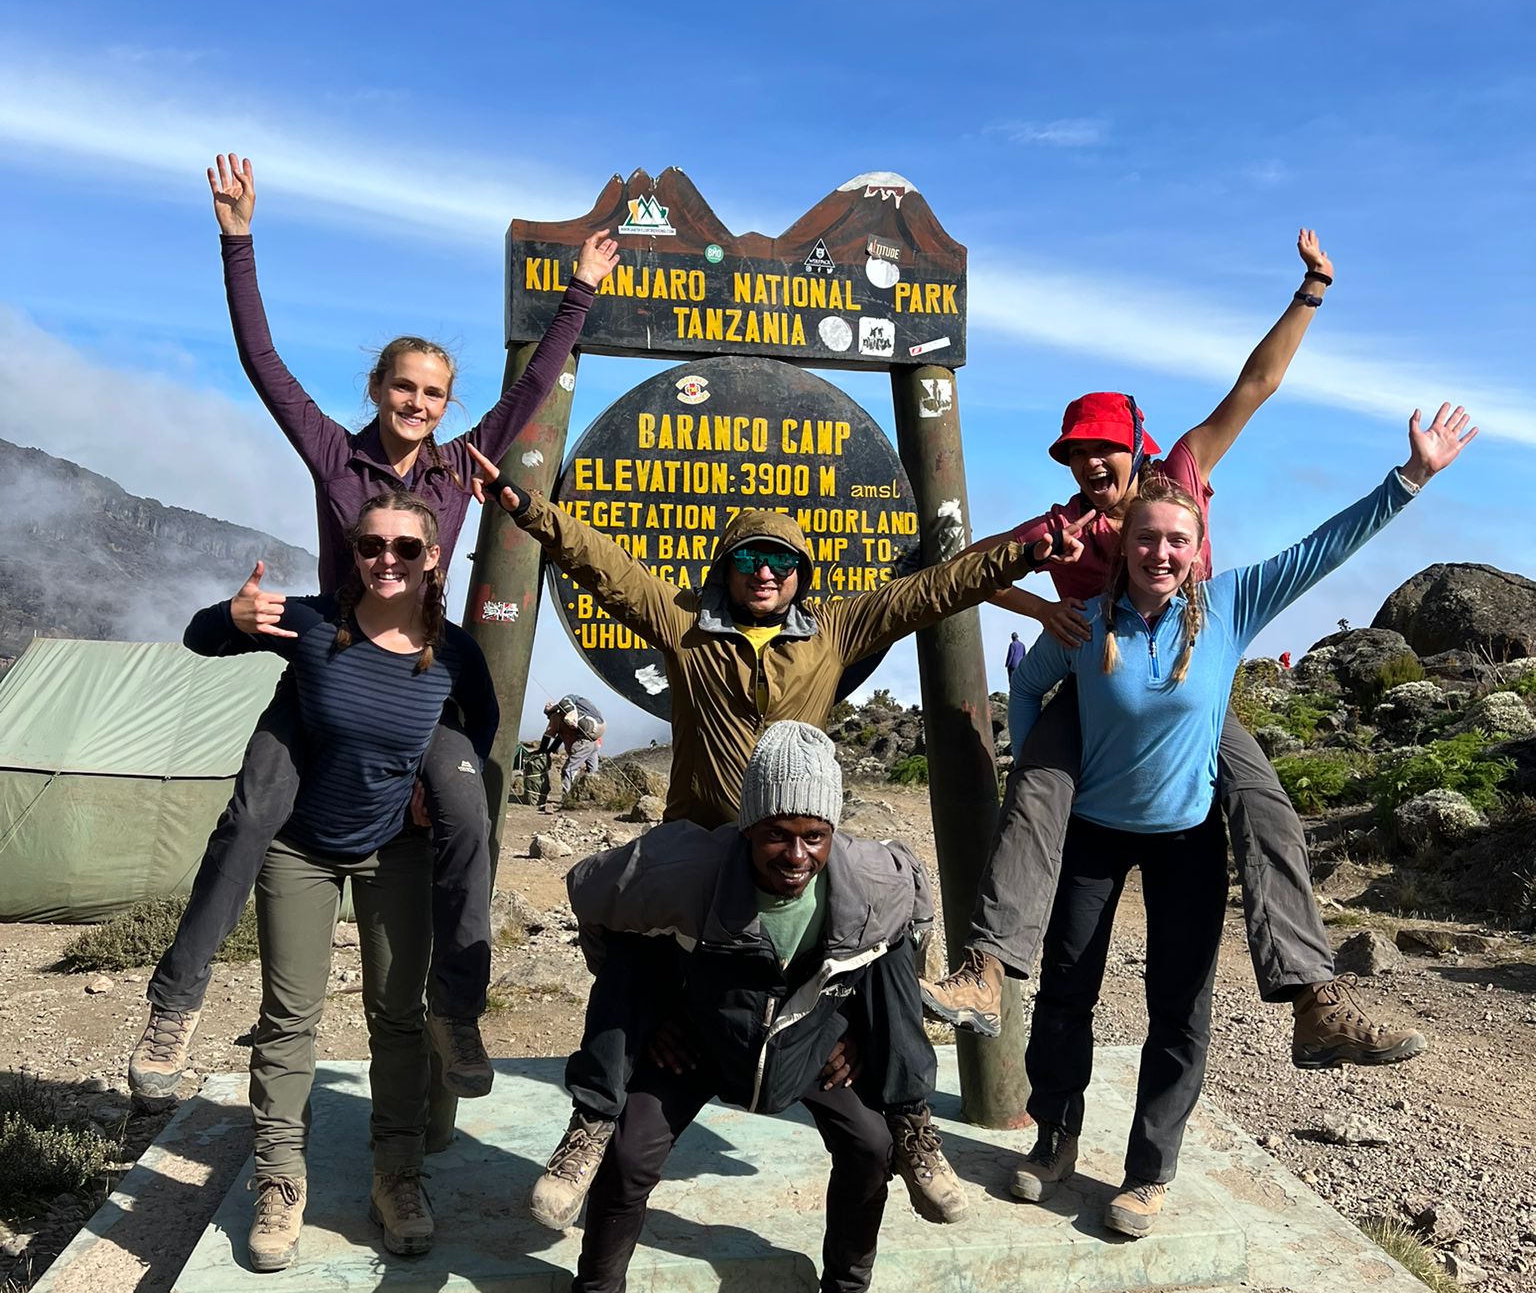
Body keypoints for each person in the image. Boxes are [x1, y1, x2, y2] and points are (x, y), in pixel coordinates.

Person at [468, 441, 1078, 1201]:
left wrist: (1024, 552)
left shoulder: (835, 631)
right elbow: (605, 565)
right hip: (705, 847)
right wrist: (527, 507)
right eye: (751, 556)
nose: (766, 571)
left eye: (782, 561)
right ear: (726, 564)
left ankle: (913, 1124)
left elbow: (935, 590)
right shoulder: (685, 625)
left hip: (804, 847)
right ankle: (589, 1128)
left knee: (891, 913)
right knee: (626, 924)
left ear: (801, 576)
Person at [128, 155, 610, 1110]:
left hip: (421, 668)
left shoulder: (462, 466)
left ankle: (458, 1008)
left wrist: (580, 297)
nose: (419, 404)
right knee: (252, 814)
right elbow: (262, 363)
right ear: (380, 388)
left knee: (469, 813)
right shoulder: (333, 451)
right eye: (405, 388)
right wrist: (238, 240)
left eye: (434, 393)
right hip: (331, 656)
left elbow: (539, 386)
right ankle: (174, 1007)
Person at [921, 229, 1425, 1069]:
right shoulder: (1060, 531)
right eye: (1075, 452)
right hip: (1095, 692)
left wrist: (1311, 292)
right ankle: (985, 970)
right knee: (1038, 791)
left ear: (1135, 447)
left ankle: (1313, 999)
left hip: (1194, 682)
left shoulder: (1183, 475)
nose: (1088, 462)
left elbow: (1254, 386)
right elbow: (957, 575)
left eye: (1102, 448)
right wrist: (1039, 609)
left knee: (1264, 805)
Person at [1000, 404, 1474, 1237]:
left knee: (1178, 1007)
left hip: (1185, 837)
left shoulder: (1228, 606)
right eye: (1146, 539)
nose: (1160, 553)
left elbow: (1322, 549)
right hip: (1096, 837)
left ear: (1195, 549)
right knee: (1067, 991)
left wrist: (1410, 478)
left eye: (1176, 542)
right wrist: (1042, 755)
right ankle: (1053, 1142)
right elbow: (1030, 685)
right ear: (1125, 544)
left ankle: (1147, 1175)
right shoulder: (1086, 625)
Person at [541, 723, 949, 1293]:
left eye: (813, 836)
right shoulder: (684, 873)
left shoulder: (869, 880)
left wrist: (857, 1035)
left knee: (870, 1143)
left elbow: (912, 927)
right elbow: (593, 896)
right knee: (632, 1151)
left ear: (833, 833)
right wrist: (653, 1018)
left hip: (808, 1045)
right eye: (777, 835)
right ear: (747, 829)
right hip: (699, 1039)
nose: (796, 855)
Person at [183, 494, 499, 1272]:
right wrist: (231, 612)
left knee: (396, 1018)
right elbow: (203, 638)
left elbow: (480, 727)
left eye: (406, 549)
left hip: (398, 851)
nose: (386, 561)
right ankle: (280, 1180)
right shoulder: (318, 622)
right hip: (300, 848)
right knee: (289, 1017)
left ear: (433, 559)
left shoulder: (455, 652)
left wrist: (436, 785)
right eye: (370, 546)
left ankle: (397, 1174)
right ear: (352, 551)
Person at [538, 696, 606, 809]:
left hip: (584, 744)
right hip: (593, 743)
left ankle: (567, 799)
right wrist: (551, 750)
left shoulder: (555, 717)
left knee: (568, 770)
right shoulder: (566, 717)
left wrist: (542, 750)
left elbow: (548, 735)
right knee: (593, 772)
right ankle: (596, 798)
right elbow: (559, 737)